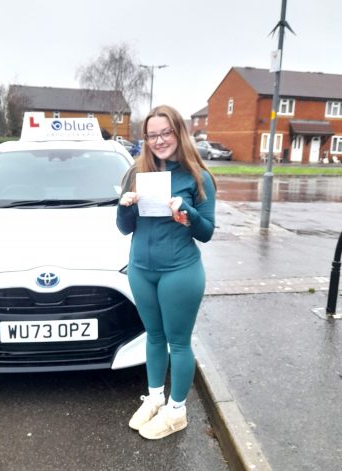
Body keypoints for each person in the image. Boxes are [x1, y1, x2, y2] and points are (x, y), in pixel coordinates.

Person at [116, 105, 216, 440]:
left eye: (166, 133)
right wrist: (124, 206)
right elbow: (124, 228)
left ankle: (177, 411)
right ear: (145, 138)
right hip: (141, 270)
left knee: (179, 342)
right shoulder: (136, 173)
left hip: (180, 273)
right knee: (154, 337)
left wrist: (187, 211)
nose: (159, 141)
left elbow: (206, 232)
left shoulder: (198, 178)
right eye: (152, 135)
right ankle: (156, 398)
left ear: (179, 133)